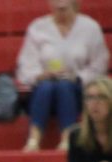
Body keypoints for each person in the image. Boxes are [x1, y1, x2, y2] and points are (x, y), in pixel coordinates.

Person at [16, 0, 109, 152]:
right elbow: (26, 66)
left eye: (64, 9)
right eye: (57, 9)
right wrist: (41, 75)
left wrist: (78, 77)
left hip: (78, 88)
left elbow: (99, 64)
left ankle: (67, 137)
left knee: (64, 86)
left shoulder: (90, 28)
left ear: (74, 5)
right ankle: (34, 138)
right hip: (43, 88)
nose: (61, 12)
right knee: (47, 87)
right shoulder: (38, 27)